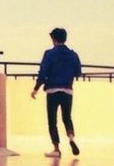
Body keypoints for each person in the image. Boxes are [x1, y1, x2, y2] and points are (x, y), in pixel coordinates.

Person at [30, 27, 82, 156]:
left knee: (52, 121)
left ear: (53, 39)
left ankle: (56, 149)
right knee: (67, 117)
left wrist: (36, 89)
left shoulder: (49, 54)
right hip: (67, 90)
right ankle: (71, 138)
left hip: (52, 90)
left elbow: (43, 73)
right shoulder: (73, 55)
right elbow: (78, 73)